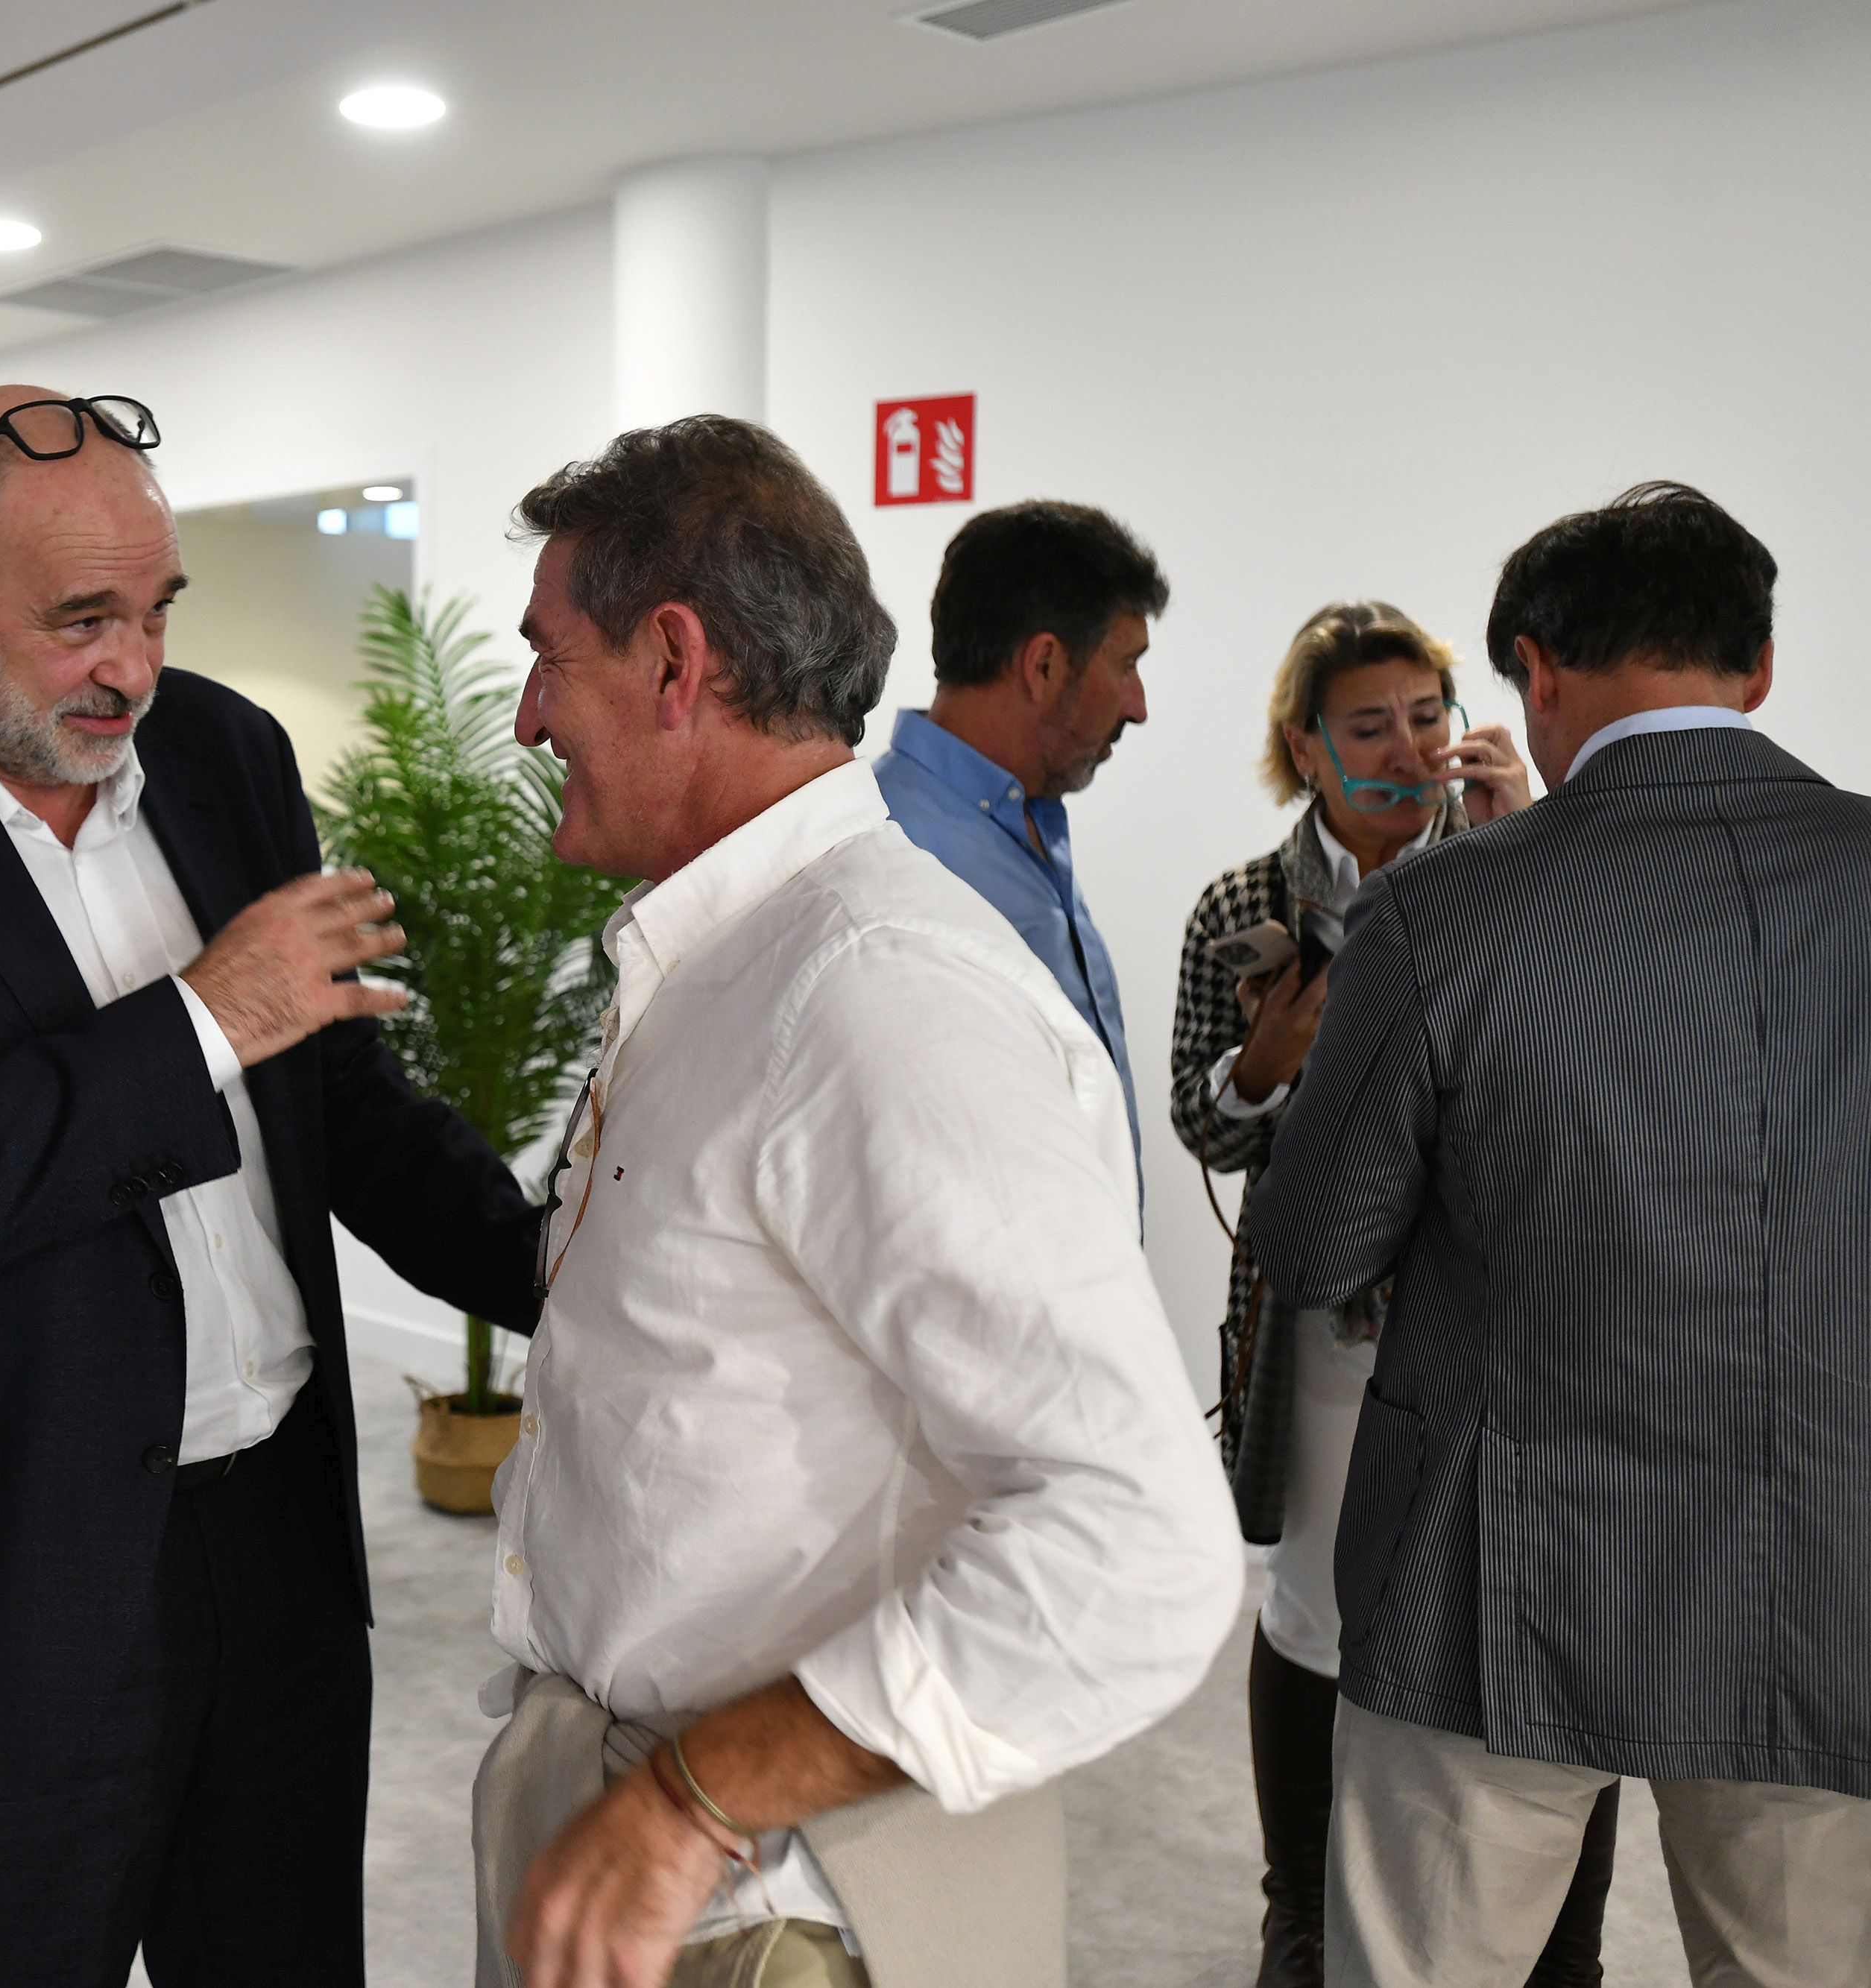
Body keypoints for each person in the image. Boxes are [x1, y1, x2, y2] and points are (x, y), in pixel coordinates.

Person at [0, 386, 543, 1986]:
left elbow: (342, 1097)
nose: (132, 665)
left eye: (152, 610)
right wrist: (205, 1013)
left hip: (270, 1555)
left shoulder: (225, 753)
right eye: (80, 620)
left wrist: (573, 1270)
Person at [477, 417, 1239, 1988]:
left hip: (772, 1904)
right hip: (686, 1869)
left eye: (551, 656)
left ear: (675, 661)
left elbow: (1139, 1541)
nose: (526, 712)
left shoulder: (871, 995)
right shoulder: (735, 963)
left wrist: (699, 1793)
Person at [1246, 483, 1871, 1988]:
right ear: (1761, 667)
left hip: (1495, 1580)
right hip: (1828, 1559)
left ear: (1530, 669)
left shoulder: (1439, 914)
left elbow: (1316, 1245)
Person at [1164, 604, 1615, 1987]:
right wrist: (1267, 1064)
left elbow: (1580, 1082)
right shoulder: (1244, 908)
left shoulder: (1510, 868)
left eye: (1427, 714)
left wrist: (1536, 845)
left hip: (1487, 1320)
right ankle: (1299, 1911)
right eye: (1370, 725)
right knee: (1310, 1607)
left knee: (1518, 1621)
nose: (1410, 748)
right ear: (1306, 746)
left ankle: (1549, 1942)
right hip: (1318, 1330)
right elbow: (1203, 1125)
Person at [871, 500, 1165, 1153]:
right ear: (1044, 666)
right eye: (1126, 665)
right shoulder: (886, 842)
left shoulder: (1030, 820)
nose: (1139, 706)